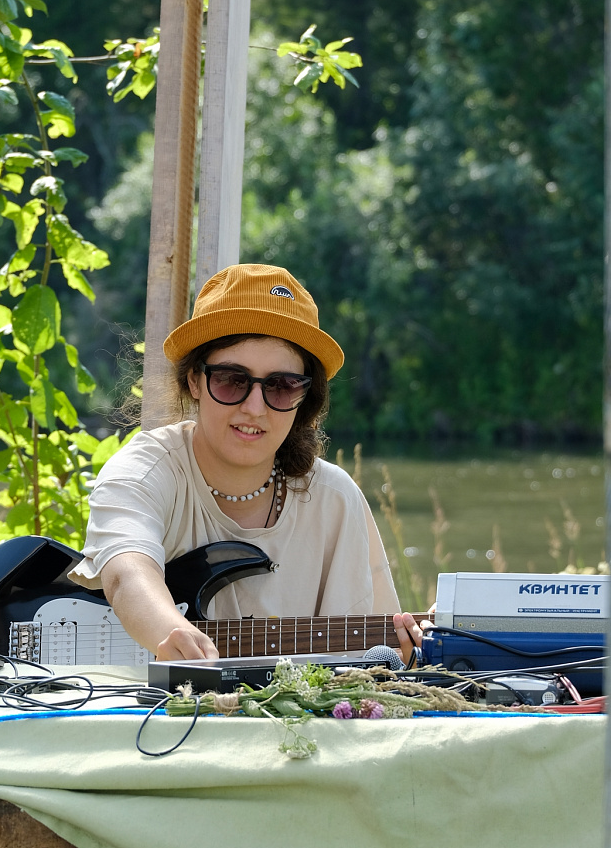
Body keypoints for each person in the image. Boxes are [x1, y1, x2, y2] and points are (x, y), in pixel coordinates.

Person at [69, 264, 426, 661]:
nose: (254, 407)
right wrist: (172, 633)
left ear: (304, 398)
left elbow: (368, 660)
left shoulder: (335, 500)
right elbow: (126, 572)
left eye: (281, 385)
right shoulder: (146, 471)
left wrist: (404, 656)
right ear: (194, 381)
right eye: (231, 380)